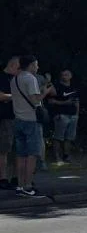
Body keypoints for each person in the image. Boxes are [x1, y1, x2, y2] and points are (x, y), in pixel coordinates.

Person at [10, 55, 46, 196]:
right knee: (32, 154)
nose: (37, 67)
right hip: (30, 120)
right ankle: (28, 185)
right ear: (30, 65)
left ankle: (20, 185)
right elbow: (35, 100)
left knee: (20, 154)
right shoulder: (30, 79)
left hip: (18, 119)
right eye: (36, 65)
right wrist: (45, 92)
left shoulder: (15, 79)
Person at [48, 69, 80, 165]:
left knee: (69, 138)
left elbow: (77, 102)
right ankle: (57, 157)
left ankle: (67, 156)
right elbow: (51, 101)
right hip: (61, 115)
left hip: (73, 116)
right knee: (58, 137)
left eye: (66, 74)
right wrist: (64, 103)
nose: (64, 76)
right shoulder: (57, 87)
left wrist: (77, 115)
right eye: (62, 75)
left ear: (71, 76)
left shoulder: (74, 88)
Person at [0, 55, 18, 191]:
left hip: (17, 117)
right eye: (18, 68)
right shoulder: (2, 78)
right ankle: (3, 178)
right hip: (5, 117)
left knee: (17, 150)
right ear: (12, 65)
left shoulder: (16, 79)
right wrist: (17, 96)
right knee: (4, 149)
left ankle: (15, 177)